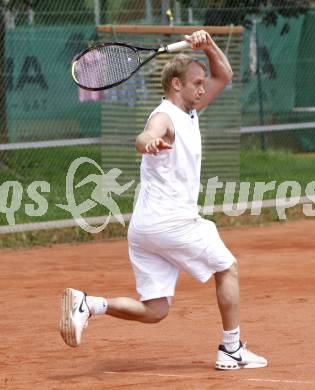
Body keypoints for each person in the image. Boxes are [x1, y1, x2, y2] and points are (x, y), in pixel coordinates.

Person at [60, 30, 267, 370]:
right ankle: (231, 349)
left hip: (145, 228)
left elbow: (224, 75)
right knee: (227, 267)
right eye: (196, 83)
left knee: (156, 310)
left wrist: (209, 45)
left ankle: (89, 305)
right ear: (176, 84)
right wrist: (148, 143)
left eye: (203, 83)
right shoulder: (165, 116)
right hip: (172, 222)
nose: (203, 88)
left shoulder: (190, 111)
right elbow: (146, 135)